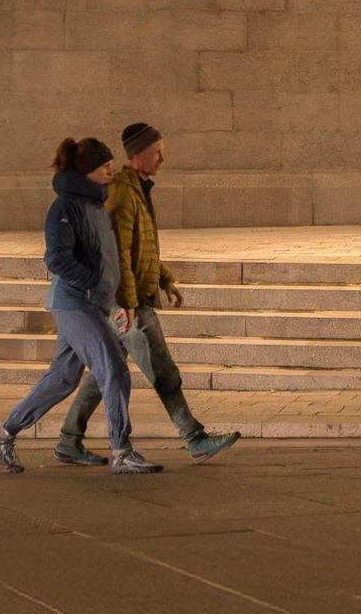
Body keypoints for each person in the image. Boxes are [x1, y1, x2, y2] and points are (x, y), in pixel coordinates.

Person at [52, 120, 242, 466]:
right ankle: (194, 437)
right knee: (161, 367)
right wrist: (125, 302)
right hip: (129, 301)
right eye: (158, 153)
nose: (163, 159)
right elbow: (119, 251)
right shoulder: (123, 190)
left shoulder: (138, 187)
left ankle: (69, 439)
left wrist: (165, 278)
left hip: (132, 295)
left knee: (103, 373)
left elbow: (144, 246)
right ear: (138, 155)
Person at [0, 137, 160, 474]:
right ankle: (122, 451)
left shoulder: (95, 205)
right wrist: (93, 284)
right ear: (87, 171)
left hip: (92, 304)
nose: (111, 168)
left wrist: (118, 298)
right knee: (114, 370)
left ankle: (3, 435)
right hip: (75, 303)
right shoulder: (65, 208)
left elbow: (109, 260)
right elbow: (57, 259)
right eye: (104, 165)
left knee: (63, 378)